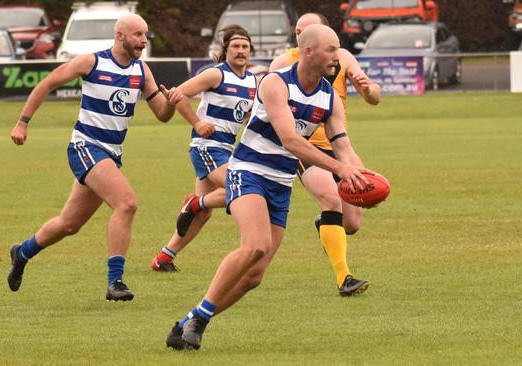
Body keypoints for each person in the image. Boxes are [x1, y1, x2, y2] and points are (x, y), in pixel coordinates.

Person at [166, 24, 373, 351]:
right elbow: (291, 140)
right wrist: (338, 168)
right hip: (248, 171)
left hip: (280, 183)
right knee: (256, 245)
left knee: (254, 277)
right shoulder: (276, 83)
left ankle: (189, 321)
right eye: (331, 49)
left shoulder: (329, 96)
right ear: (309, 52)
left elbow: (343, 145)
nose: (338, 56)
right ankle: (199, 322)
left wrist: (359, 173)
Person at [7, 14, 184, 302]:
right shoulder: (91, 62)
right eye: (138, 34)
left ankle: (22, 252)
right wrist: (23, 122)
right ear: (120, 36)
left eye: (145, 34)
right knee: (126, 203)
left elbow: (162, 115)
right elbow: (47, 84)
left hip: (111, 155)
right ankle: (116, 282)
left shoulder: (142, 71)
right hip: (85, 146)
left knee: (69, 224)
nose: (143, 40)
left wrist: (173, 104)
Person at [269, 13, 381, 297]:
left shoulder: (340, 57)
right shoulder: (283, 64)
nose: (301, 36)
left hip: (338, 144)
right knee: (332, 199)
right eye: (298, 31)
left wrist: (367, 88)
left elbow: (373, 96)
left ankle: (326, 224)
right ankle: (345, 278)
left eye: (308, 30)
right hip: (304, 146)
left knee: (352, 223)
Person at [150, 25, 257, 272]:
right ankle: (194, 203)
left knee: (204, 214)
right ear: (226, 50)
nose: (241, 51)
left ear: (250, 50)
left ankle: (164, 258)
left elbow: (248, 116)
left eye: (245, 47)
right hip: (207, 147)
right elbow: (177, 94)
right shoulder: (215, 75)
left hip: (225, 149)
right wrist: (197, 123)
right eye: (235, 47)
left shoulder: (253, 81)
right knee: (240, 188)